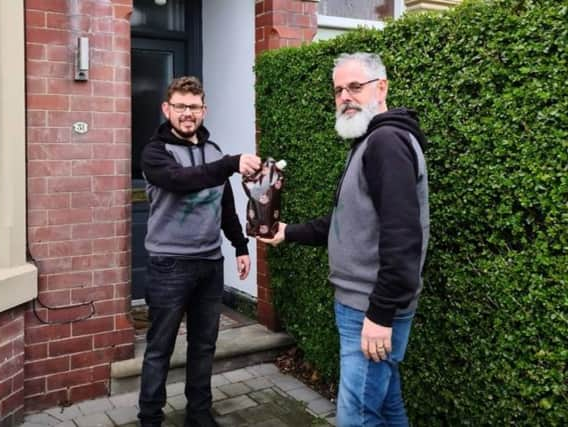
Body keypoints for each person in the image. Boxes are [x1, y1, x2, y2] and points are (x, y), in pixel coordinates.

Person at [260, 53, 430, 426]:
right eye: (338, 90)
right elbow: (346, 222)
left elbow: (404, 236)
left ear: (381, 87)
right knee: (385, 404)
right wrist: (289, 232)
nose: (345, 97)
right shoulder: (368, 142)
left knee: (356, 415)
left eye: (355, 86)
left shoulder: (386, 142)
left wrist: (381, 313)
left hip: (370, 306)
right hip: (363, 304)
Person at [138, 76, 261, 427]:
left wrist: (239, 245)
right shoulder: (154, 153)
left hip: (210, 263)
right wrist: (231, 164)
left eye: (194, 107)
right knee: (160, 348)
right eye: (180, 106)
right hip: (169, 265)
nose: (187, 114)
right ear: (167, 109)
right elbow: (180, 181)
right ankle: (150, 419)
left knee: (203, 346)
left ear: (204, 110)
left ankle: (199, 415)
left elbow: (225, 206)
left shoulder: (214, 152)